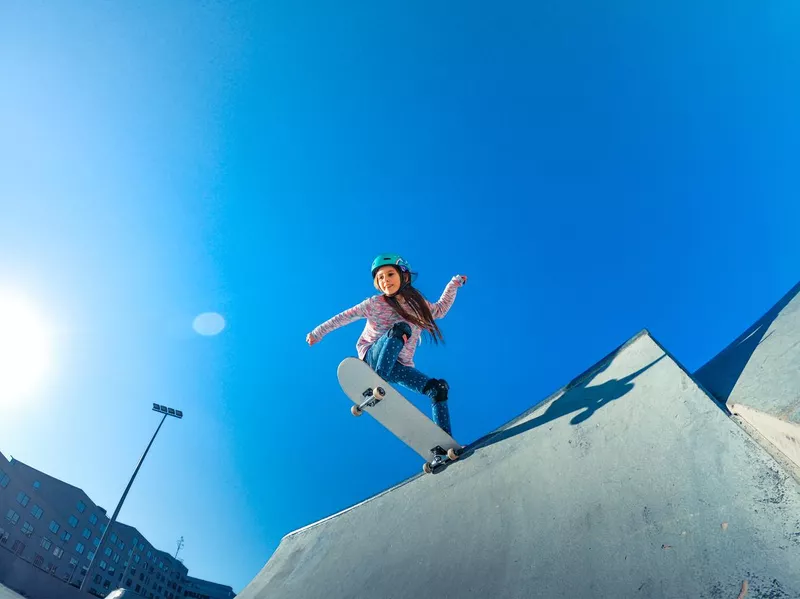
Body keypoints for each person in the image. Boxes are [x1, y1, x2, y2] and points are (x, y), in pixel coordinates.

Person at [306, 253, 467, 436]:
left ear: (403, 275)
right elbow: (344, 317)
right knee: (401, 328)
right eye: (380, 277)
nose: (385, 281)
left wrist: (454, 284)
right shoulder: (375, 303)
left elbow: (440, 309)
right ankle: (376, 380)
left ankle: (444, 446)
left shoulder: (418, 306)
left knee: (438, 389)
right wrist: (317, 333)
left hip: (397, 367)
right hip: (373, 358)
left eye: (390, 274)